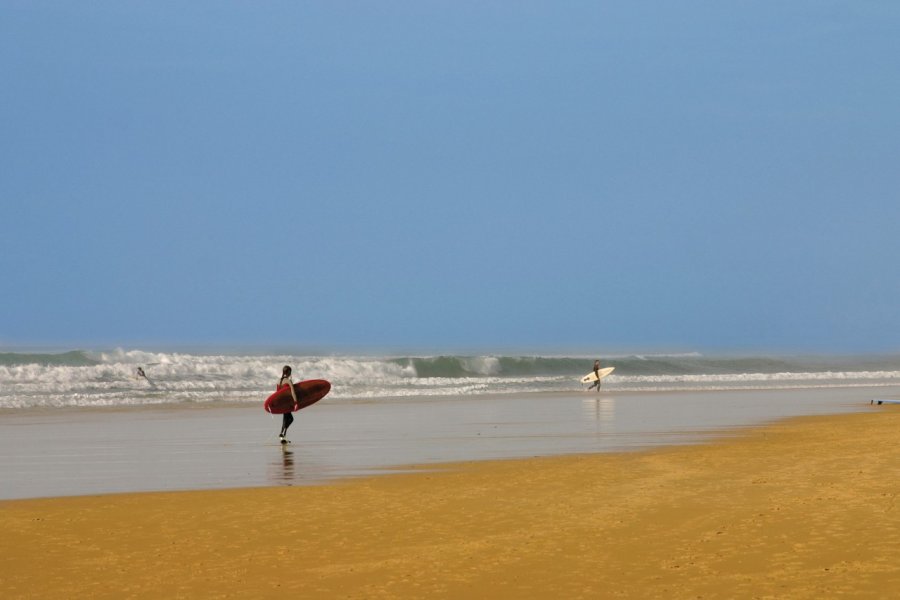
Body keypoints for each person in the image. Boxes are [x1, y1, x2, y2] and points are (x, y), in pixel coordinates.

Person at [277, 365, 300, 443]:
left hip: (281, 403)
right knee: (290, 419)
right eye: (291, 372)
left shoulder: (278, 381)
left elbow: (277, 394)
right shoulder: (288, 381)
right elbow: (293, 392)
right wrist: (296, 403)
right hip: (287, 403)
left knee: (285, 419)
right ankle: (282, 433)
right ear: (289, 372)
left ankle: (283, 437)